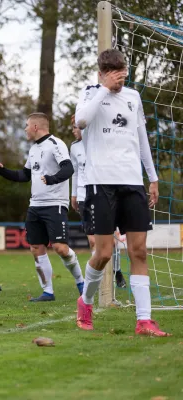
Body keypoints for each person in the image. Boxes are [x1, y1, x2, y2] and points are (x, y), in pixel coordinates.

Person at [74, 49, 169, 335]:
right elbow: (81, 121)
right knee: (103, 253)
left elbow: (141, 138)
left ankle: (144, 320)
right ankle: (86, 302)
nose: (120, 77)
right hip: (100, 183)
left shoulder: (133, 98)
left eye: (122, 71)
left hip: (132, 182)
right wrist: (104, 89)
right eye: (113, 72)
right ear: (102, 72)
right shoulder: (91, 93)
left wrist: (152, 177)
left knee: (138, 250)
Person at [0, 112, 84, 302]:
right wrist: (3, 172)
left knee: (60, 248)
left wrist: (52, 179)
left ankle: (81, 283)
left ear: (36, 127)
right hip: (35, 206)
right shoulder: (33, 149)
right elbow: (25, 175)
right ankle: (48, 292)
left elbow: (68, 168)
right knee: (36, 248)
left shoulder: (55, 144)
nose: (25, 129)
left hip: (55, 205)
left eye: (27, 125)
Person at [70, 119, 126, 288]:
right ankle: (98, 276)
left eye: (75, 127)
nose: (73, 130)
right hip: (83, 195)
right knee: (93, 241)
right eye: (72, 127)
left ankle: (117, 271)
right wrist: (73, 195)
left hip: (103, 194)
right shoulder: (73, 147)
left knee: (112, 242)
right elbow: (75, 172)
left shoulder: (100, 141)